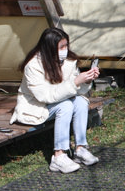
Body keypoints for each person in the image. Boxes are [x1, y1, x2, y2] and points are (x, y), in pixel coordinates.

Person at [12, 27, 100, 174]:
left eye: (66, 45)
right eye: (61, 47)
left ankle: (80, 149)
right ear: (49, 48)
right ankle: (58, 156)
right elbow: (45, 96)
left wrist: (85, 81)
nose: (65, 50)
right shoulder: (33, 65)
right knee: (65, 106)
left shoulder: (69, 61)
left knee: (81, 102)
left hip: (58, 101)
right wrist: (75, 82)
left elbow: (77, 91)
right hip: (36, 107)